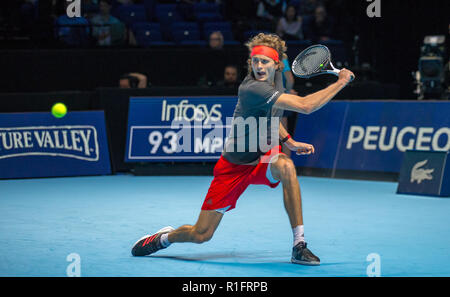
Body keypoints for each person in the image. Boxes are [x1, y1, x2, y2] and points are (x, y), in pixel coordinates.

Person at [131, 33, 354, 265]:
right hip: (234, 168)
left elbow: (270, 117)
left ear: (276, 64)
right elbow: (306, 106)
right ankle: (165, 237)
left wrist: (289, 142)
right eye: (255, 60)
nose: (258, 65)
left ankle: (299, 245)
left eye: (264, 61)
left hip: (262, 157)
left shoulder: (277, 80)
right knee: (201, 234)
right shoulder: (252, 88)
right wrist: (341, 82)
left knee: (286, 166)